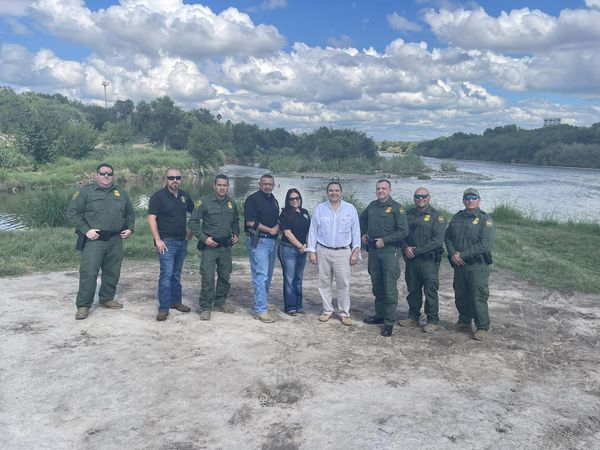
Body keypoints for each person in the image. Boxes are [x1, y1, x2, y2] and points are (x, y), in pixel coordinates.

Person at [66, 163, 135, 320]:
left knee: (112, 271)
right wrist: (86, 230)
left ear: (112, 176)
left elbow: (130, 212)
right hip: (94, 239)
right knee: (89, 273)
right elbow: (72, 212)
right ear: (96, 175)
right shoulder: (86, 192)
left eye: (109, 174)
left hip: (116, 239)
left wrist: (130, 228)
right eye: (102, 173)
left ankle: (107, 298)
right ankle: (83, 305)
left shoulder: (121, 192)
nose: (106, 176)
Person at [306, 181, 361, 326]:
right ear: (327, 192)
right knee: (324, 282)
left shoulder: (350, 209)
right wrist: (311, 250)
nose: (334, 193)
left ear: (341, 192)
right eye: (331, 190)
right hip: (323, 250)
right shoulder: (320, 209)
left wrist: (355, 251)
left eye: (337, 190)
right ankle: (327, 311)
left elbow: (356, 231)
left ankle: (344, 313)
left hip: (343, 252)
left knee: (343, 284)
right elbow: (313, 231)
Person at [444, 188, 496, 341]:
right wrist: (453, 253)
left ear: (479, 200)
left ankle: (482, 327)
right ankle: (464, 321)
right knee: (460, 293)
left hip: (476, 265)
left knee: (477, 295)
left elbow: (485, 244)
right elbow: (447, 237)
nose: (470, 200)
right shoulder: (457, 217)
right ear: (463, 200)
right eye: (467, 198)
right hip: (459, 264)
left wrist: (462, 255)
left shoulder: (485, 220)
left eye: (473, 198)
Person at [360, 179, 408, 337]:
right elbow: (362, 220)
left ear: (390, 190)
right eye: (378, 188)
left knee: (389, 287)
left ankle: (389, 321)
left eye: (384, 188)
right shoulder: (372, 206)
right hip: (374, 252)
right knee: (377, 285)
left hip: (389, 251)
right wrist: (364, 233)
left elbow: (403, 232)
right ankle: (380, 314)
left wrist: (385, 240)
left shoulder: (397, 209)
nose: (380, 191)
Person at [189, 174, 239, 321]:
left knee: (225, 275)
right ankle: (206, 307)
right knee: (208, 277)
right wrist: (205, 239)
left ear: (228, 187)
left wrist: (236, 233)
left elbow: (236, 220)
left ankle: (219, 302)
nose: (222, 188)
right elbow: (193, 222)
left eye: (225, 185)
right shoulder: (204, 202)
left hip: (225, 247)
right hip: (210, 246)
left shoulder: (231, 203)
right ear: (214, 186)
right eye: (220, 185)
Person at [147, 168, 194, 321]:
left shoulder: (185, 196)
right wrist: (158, 239)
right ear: (166, 179)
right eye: (171, 177)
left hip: (182, 241)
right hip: (166, 242)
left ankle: (176, 302)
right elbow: (151, 219)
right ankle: (163, 308)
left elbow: (195, 214)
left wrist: (191, 231)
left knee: (176, 273)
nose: (175, 180)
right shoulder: (158, 197)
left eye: (178, 177)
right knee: (166, 274)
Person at [399, 187, 446, 333]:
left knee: (430, 289)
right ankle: (413, 317)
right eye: (418, 197)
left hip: (429, 261)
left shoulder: (437, 217)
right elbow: (402, 233)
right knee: (413, 289)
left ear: (429, 198)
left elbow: (437, 241)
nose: (421, 199)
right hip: (412, 260)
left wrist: (416, 250)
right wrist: (406, 247)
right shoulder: (408, 215)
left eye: (424, 196)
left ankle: (432, 320)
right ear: (414, 198)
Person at [244, 174, 279, 323]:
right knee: (260, 275)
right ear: (259, 184)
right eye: (264, 184)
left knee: (268, 275)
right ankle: (260, 310)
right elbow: (250, 222)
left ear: (273, 185)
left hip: (272, 242)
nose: (267, 186)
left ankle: (261, 301)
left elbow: (277, 218)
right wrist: (270, 230)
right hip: (259, 241)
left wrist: (277, 227)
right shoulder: (252, 199)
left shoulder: (273, 200)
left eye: (270, 184)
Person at [277, 188, 311, 316]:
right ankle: (290, 306)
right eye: (292, 199)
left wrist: (307, 244)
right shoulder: (284, 214)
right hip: (288, 250)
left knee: (299, 278)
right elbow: (287, 233)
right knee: (290, 278)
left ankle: (298, 305)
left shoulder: (305, 212)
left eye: (297, 198)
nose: (295, 200)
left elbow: (309, 230)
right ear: (288, 200)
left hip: (303, 248)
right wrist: (299, 246)